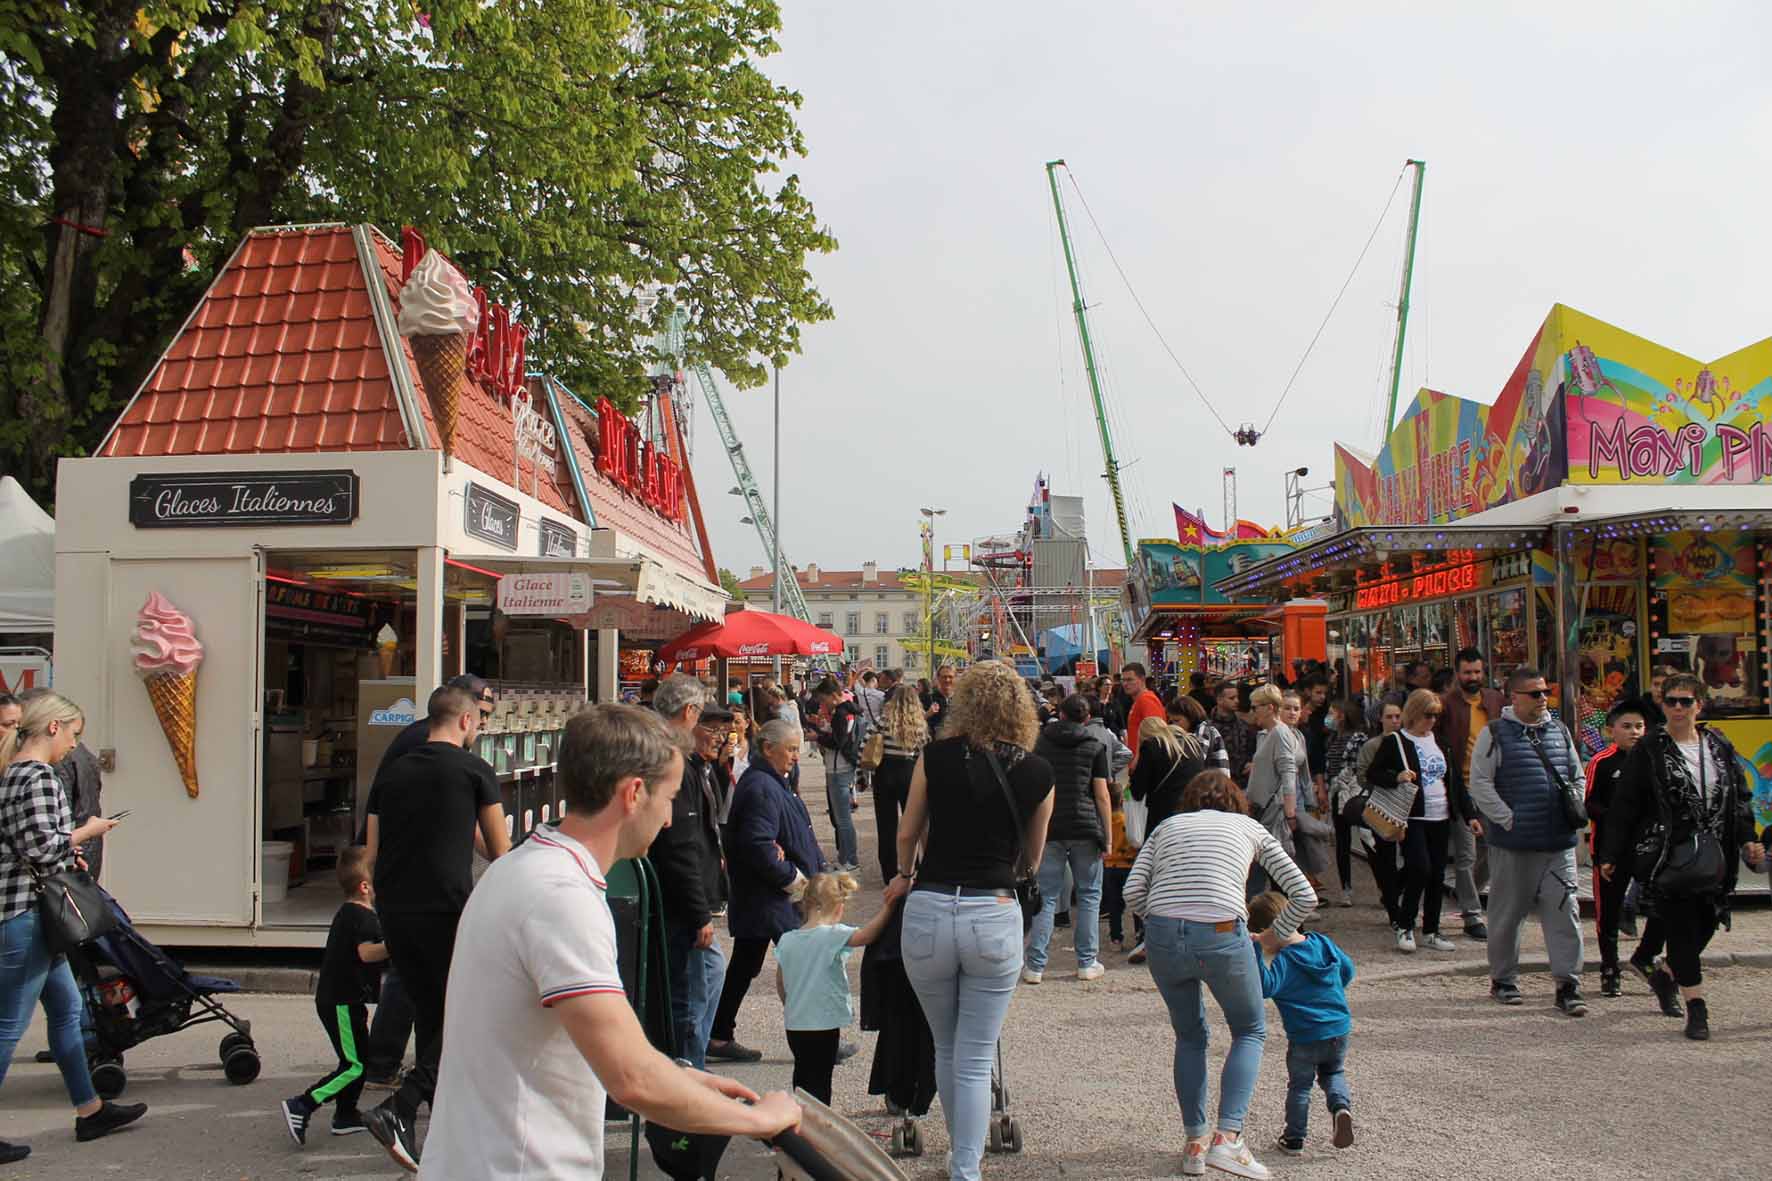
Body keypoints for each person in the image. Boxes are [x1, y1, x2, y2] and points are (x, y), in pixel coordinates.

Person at [420, 703, 801, 1177]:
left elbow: (592, 1045)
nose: (667, 820)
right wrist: (755, 1120)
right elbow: (631, 1078)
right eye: (668, 800)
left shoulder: (521, 868)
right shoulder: (560, 897)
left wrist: (684, 1078)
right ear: (634, 793)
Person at [894, 660, 1055, 1181]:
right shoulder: (1035, 771)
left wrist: (904, 873)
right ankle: (965, 1164)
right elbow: (1033, 855)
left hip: (931, 904)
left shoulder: (933, 757)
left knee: (945, 1043)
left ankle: (960, 1154)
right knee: (976, 1049)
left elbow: (906, 831)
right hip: (993, 908)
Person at [1124, 770, 1315, 1180]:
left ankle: (1195, 1142)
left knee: (1190, 1034)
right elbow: (1304, 893)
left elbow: (1132, 891)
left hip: (1162, 931)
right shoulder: (1249, 827)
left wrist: (1162, 921)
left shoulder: (1167, 826)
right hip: (1222, 931)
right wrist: (1270, 937)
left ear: (1190, 801)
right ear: (1235, 801)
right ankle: (1227, 1140)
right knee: (1249, 1029)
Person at [363, 685, 510, 1170]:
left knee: (431, 1014)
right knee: (467, 1013)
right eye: (481, 721)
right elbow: (500, 851)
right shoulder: (474, 770)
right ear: (467, 721)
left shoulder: (394, 772)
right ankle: (402, 1108)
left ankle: (439, 1129)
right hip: (447, 908)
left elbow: (370, 854)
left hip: (395, 908)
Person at [0, 691, 144, 1164]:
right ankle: (89, 1110)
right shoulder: (37, 775)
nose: (73, 749)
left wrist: (67, 849)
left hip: (28, 912)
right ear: (54, 727)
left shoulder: (11, 772)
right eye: (73, 736)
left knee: (64, 1010)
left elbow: (31, 844)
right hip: (28, 915)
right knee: (9, 1026)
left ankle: (90, 1109)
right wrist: (90, 831)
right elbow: (44, 848)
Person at [1601, 676, 1767, 1040]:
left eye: (1686, 701)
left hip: (1715, 854)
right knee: (1680, 931)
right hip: (1668, 855)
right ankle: (1697, 1009)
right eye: (1671, 701)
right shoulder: (1650, 749)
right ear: (1662, 705)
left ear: (1699, 705)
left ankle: (1665, 977)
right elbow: (1625, 804)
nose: (1678, 708)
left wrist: (1747, 840)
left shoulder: (1718, 745)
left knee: (1706, 925)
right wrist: (1610, 853)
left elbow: (1738, 798)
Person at [1466, 667, 1588, 1016]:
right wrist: (1508, 818)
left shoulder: (1559, 731)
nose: (1542, 699)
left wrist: (1574, 803)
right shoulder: (1495, 734)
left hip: (1557, 842)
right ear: (1514, 697)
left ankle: (1568, 984)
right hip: (1514, 844)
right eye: (1534, 693)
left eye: (1544, 692)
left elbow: (1575, 773)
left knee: (1565, 913)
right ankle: (1503, 978)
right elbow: (1480, 783)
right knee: (1507, 914)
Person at [707, 719, 824, 1064]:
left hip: (766, 896)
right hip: (771, 897)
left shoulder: (771, 781)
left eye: (797, 749)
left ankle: (718, 1034)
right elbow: (759, 845)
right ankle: (815, 1042)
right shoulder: (761, 785)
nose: (795, 756)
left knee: (745, 965)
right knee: (800, 966)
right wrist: (796, 881)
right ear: (768, 748)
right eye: (790, 749)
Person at [647, 676, 730, 1070]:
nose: (716, 735)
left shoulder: (679, 760)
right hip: (677, 900)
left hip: (675, 894)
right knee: (694, 987)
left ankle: (690, 1061)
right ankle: (688, 1066)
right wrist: (699, 911)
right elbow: (681, 843)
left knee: (705, 976)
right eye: (707, 724)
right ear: (689, 714)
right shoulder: (671, 760)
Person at [861, 685, 936, 1121]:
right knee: (914, 820)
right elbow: (926, 746)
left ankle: (893, 867)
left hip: (885, 772)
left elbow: (867, 743)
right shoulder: (920, 725)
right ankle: (911, 865)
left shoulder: (883, 719)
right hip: (911, 771)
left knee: (889, 825)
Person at [281, 846, 388, 1145]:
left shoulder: (352, 912)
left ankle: (345, 1116)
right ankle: (302, 1104)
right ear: (365, 887)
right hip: (340, 1000)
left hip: (345, 999)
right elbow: (367, 954)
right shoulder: (361, 917)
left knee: (358, 1060)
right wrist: (397, 944)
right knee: (353, 1065)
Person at [775, 871, 900, 1104]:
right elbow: (867, 935)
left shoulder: (787, 939)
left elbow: (781, 982)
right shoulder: (832, 935)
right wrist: (888, 907)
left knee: (802, 1074)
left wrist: (790, 1004)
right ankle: (819, 1127)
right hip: (824, 1022)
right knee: (822, 1077)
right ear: (838, 908)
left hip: (795, 1022)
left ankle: (800, 1121)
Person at [1246, 891, 1356, 1156]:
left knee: (1300, 1086)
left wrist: (1255, 952)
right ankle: (1341, 1107)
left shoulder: (1285, 961)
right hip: (1338, 1028)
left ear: (1265, 932)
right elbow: (1348, 969)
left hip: (1304, 1035)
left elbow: (1265, 987)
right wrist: (1332, 990)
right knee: (1333, 1073)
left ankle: (1294, 1138)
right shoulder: (1322, 943)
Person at [1025, 694, 1113, 983]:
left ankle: (1035, 965)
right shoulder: (1094, 746)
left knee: (1047, 896)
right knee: (1089, 895)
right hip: (1085, 825)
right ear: (1086, 719)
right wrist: (1108, 836)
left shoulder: (1040, 744)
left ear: (1060, 715)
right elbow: (1101, 795)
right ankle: (1087, 962)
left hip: (1049, 825)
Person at [1366, 690, 1457, 954]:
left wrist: (1468, 813)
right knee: (1420, 868)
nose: (1432, 721)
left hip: (1440, 813)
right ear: (1415, 713)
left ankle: (1431, 928)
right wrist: (1397, 776)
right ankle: (1405, 924)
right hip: (1413, 816)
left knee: (1438, 874)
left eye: (1436, 716)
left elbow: (1451, 779)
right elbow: (1374, 772)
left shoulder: (1439, 740)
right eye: (1428, 715)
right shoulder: (1396, 741)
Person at [1584, 699, 1647, 998]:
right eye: (1627, 727)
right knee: (1606, 912)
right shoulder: (1602, 761)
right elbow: (1590, 803)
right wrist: (1617, 819)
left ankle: (1651, 960)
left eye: (1639, 726)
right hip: (1609, 849)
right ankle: (1610, 969)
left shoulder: (1651, 760)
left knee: (1665, 905)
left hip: (1647, 848)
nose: (1634, 732)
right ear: (1611, 731)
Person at [1435, 649, 1500, 940]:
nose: (1472, 678)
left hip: (1493, 787)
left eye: (1477, 672)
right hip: (1460, 788)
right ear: (1457, 674)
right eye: (1467, 673)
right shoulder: (1446, 705)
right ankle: (1472, 914)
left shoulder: (1495, 700)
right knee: (1465, 853)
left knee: (1490, 848)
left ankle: (1467, 894)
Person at [1245, 685, 1305, 888]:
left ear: (1269, 707)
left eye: (1255, 707)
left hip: (1274, 813)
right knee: (1272, 872)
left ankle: (1285, 914)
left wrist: (1290, 814)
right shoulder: (1270, 733)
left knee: (1278, 874)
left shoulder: (1280, 733)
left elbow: (1288, 774)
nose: (1253, 712)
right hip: (1266, 810)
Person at [1355, 702, 1406, 923]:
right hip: (1380, 805)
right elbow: (1363, 775)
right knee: (1384, 856)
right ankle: (1392, 902)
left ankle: (1394, 889)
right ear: (1381, 719)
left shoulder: (1407, 743)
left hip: (1406, 807)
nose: (1395, 721)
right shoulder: (1372, 745)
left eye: (1398, 716)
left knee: (1413, 860)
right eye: (1390, 716)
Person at [1130, 704, 1208, 831]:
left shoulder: (1152, 746)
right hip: (1192, 814)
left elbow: (1137, 791)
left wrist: (1138, 755)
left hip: (1164, 817)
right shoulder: (1192, 743)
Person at [810, 679, 862, 872]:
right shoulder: (851, 710)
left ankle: (850, 859)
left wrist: (818, 736)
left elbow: (837, 741)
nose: (823, 704)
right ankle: (845, 858)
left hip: (838, 768)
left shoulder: (841, 713)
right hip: (844, 767)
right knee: (842, 817)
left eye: (824, 699)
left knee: (842, 819)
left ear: (833, 695)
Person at [1323, 699, 1369, 908]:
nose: (1329, 717)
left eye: (1332, 712)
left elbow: (1360, 765)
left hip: (1354, 792)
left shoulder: (1358, 738)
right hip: (1336, 792)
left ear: (1341, 715)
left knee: (1368, 838)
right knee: (1342, 842)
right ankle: (1345, 887)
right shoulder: (1333, 737)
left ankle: (1384, 885)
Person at [1212, 682, 1255, 787]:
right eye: (1232, 698)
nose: (1237, 701)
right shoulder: (1208, 728)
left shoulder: (1245, 726)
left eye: (1237, 697)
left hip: (1243, 783)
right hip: (1217, 784)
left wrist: (1253, 763)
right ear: (1219, 700)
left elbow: (1254, 750)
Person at [1121, 663, 1164, 768]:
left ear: (1142, 680)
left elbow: (1154, 735)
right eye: (1123, 680)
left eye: (1130, 680)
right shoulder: (1139, 700)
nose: (1125, 684)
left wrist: (1137, 760)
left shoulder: (1146, 700)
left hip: (1145, 764)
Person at [924, 663, 956, 738]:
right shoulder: (928, 698)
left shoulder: (960, 698)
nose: (947, 680)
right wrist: (928, 714)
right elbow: (917, 721)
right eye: (944, 677)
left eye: (950, 677)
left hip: (956, 744)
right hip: (934, 744)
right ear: (938, 678)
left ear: (955, 678)